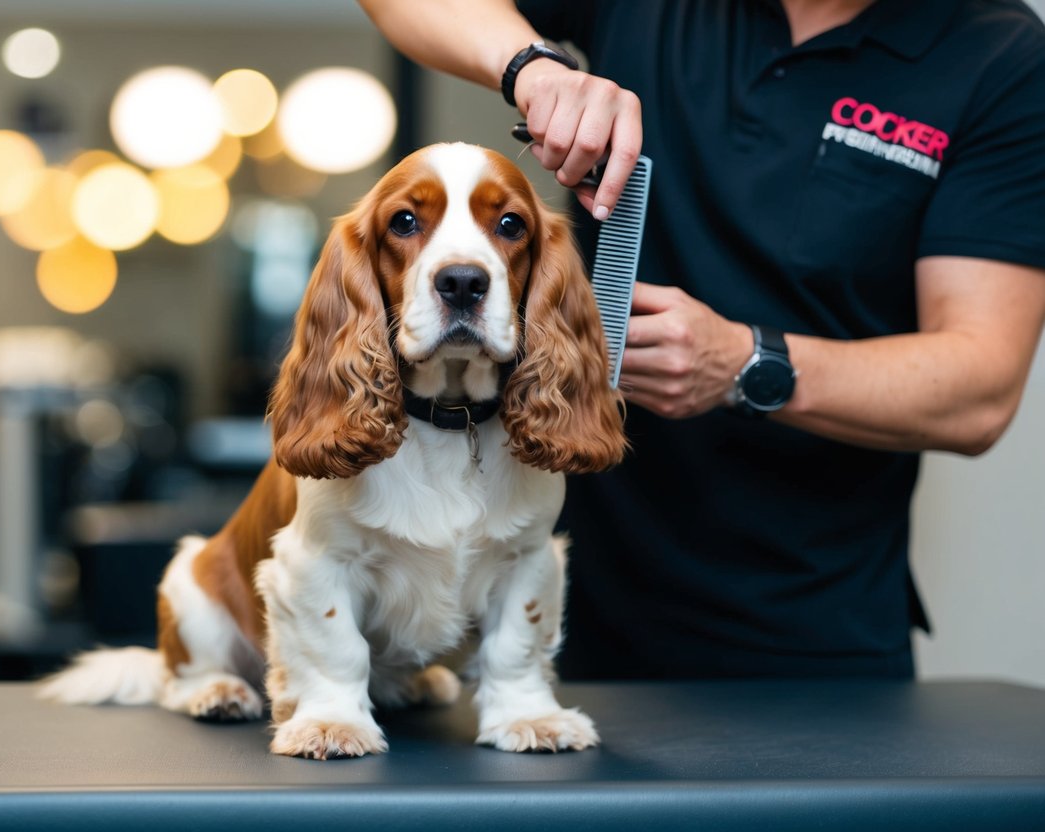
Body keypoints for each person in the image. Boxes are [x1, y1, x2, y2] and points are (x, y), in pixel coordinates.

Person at [358, 0, 1045, 679]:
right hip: (564, 601)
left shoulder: (996, 55)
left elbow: (977, 391)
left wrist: (745, 363)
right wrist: (534, 68)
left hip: (814, 631)